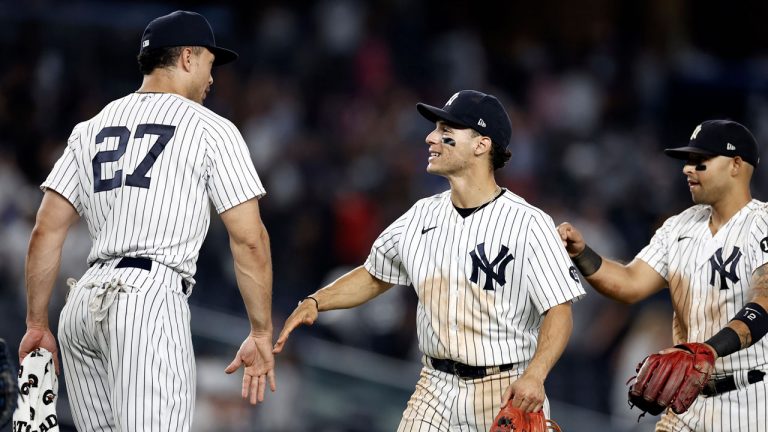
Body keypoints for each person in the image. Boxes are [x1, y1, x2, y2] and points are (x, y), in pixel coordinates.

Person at [18, 10, 276, 432]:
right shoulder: (211, 128)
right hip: (148, 299)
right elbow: (250, 240)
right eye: (211, 64)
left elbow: (46, 229)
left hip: (81, 307)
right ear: (188, 58)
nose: (213, 79)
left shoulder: (91, 127)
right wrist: (261, 332)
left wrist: (35, 323)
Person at [273, 90, 585, 431]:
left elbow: (559, 310)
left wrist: (535, 376)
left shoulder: (528, 223)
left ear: (481, 145)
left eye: (446, 130)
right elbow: (375, 274)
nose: (431, 137)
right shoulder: (421, 215)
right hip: (434, 386)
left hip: (505, 386)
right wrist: (317, 301)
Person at [558, 119, 768, 432]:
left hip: (749, 402)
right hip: (687, 401)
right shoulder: (678, 227)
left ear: (736, 165)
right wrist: (582, 253)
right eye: (688, 161)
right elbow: (629, 283)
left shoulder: (761, 223)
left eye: (701, 162)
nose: (687, 169)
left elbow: (764, 302)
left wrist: (709, 349)